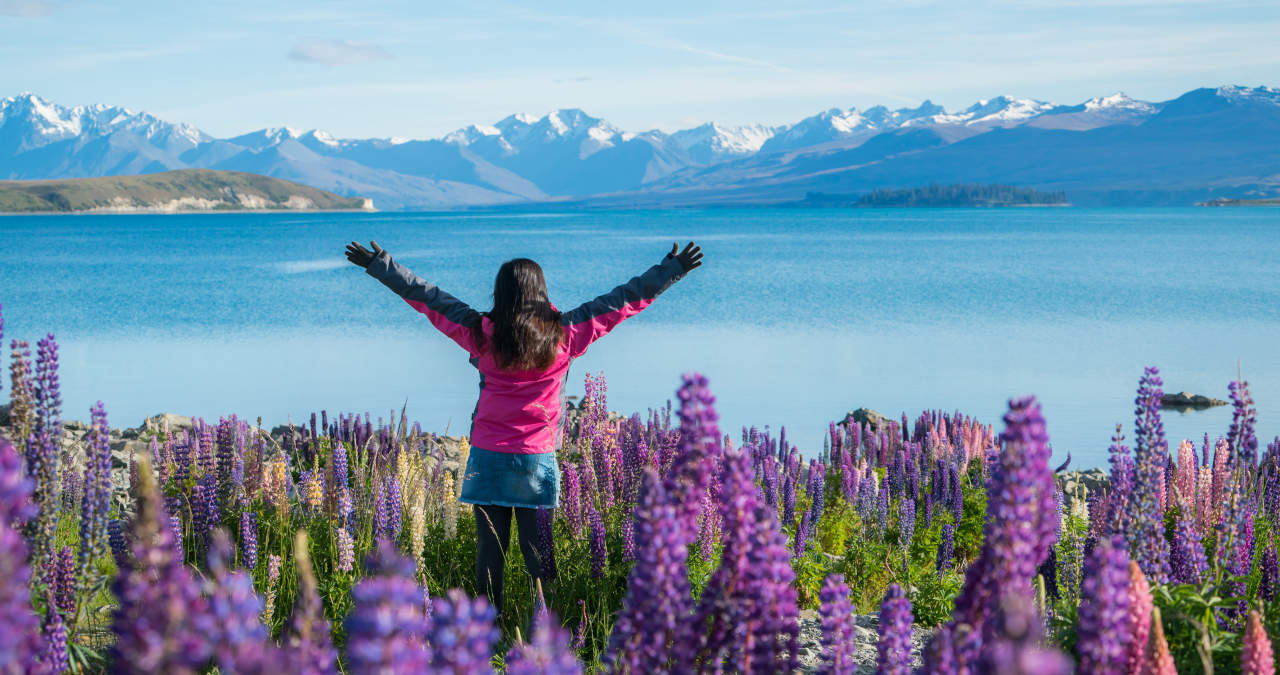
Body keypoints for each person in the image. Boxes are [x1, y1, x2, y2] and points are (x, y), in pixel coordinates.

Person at [345, 238, 703, 617]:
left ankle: (487, 633)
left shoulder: (480, 331)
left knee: (489, 554)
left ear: (500, 292)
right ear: (541, 291)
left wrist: (381, 264)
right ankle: (544, 631)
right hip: (536, 459)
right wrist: (672, 269)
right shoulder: (566, 332)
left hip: (487, 456)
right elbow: (622, 301)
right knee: (539, 557)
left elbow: (429, 299)